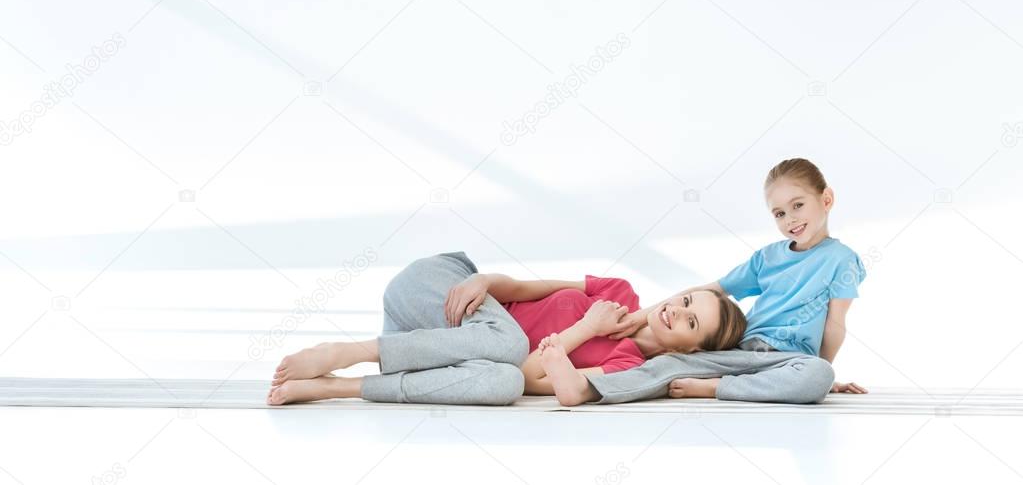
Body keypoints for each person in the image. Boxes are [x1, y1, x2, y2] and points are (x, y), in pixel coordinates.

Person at [550, 157, 867, 406]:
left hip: (789, 359)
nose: (790, 219)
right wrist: (640, 315)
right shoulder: (767, 258)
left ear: (826, 199)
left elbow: (835, 324)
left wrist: (823, 376)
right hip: (740, 351)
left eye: (798, 205)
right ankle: (583, 389)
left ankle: (714, 388)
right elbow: (709, 291)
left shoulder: (842, 260)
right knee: (669, 365)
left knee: (818, 374)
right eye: (779, 213)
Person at [267, 250, 745, 405]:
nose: (675, 311)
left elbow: (537, 379)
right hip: (440, 292)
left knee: (506, 381)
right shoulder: (617, 290)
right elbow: (519, 287)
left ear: (690, 346)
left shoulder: (626, 364)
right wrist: (479, 278)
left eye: (689, 321)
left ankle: (338, 388)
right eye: (685, 300)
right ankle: (347, 350)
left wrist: (583, 328)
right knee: (512, 343)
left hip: (435, 348)